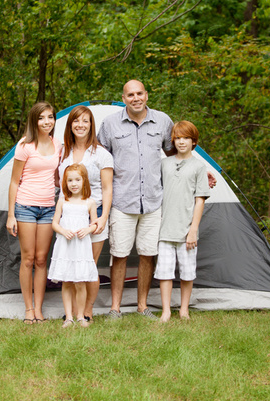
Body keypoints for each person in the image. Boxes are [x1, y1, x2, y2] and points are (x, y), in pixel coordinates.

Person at [97, 80, 175, 320]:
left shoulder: (163, 121)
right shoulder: (110, 124)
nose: (135, 98)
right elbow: (99, 157)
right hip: (122, 201)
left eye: (139, 93)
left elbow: (175, 154)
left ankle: (142, 306)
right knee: (119, 254)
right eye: (130, 94)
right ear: (123, 98)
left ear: (146, 95)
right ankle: (115, 308)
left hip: (153, 201)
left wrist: (201, 170)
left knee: (147, 254)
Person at [6, 102, 62, 324]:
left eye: (50, 117)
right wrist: (11, 215)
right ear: (34, 120)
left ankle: (39, 308)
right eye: (41, 118)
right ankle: (28, 309)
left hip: (48, 208)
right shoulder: (25, 146)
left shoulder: (57, 144)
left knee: (41, 260)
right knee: (28, 259)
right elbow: (13, 182)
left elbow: (57, 177)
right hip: (26, 207)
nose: (47, 122)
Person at [58, 106, 113, 321]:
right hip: (69, 215)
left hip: (94, 213)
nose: (80, 125)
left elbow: (108, 188)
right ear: (70, 125)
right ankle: (71, 312)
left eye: (85, 121)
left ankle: (87, 311)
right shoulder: (64, 151)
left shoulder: (101, 154)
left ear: (91, 125)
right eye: (76, 121)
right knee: (72, 262)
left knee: (88, 264)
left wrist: (103, 217)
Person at [154, 121, 210, 322]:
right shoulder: (164, 164)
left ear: (194, 141)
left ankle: (184, 309)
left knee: (187, 273)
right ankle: (166, 310)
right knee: (165, 272)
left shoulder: (198, 166)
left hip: (187, 230)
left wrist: (193, 229)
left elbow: (200, 199)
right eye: (177, 138)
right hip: (165, 229)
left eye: (186, 138)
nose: (181, 142)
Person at [48, 164, 99, 328]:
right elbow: (54, 223)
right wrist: (63, 231)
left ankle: (80, 316)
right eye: (70, 180)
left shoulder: (90, 202)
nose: (74, 183)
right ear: (65, 182)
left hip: (81, 246)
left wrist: (88, 229)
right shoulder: (63, 201)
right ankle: (68, 317)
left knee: (80, 282)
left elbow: (95, 224)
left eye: (77, 179)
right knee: (67, 281)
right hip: (66, 245)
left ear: (84, 181)